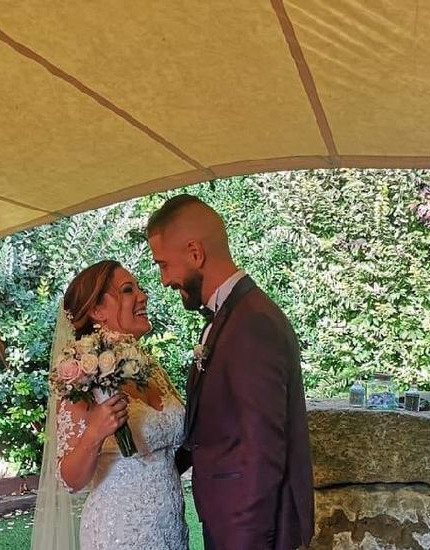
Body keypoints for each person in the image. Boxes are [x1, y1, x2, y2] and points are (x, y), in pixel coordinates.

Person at [147, 194, 314, 550]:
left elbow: (262, 447)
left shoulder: (252, 322)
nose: (163, 280)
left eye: (163, 265)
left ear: (195, 253)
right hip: (229, 519)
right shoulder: (231, 315)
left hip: (246, 530)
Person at [31, 260, 188, 550]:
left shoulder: (149, 367)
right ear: (97, 310)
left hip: (170, 526)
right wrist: (94, 433)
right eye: (128, 290)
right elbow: (69, 481)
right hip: (119, 531)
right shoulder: (81, 376)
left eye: (139, 288)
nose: (143, 296)